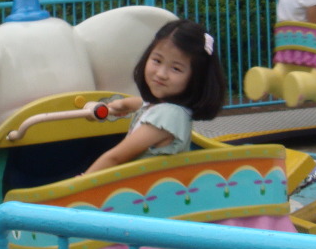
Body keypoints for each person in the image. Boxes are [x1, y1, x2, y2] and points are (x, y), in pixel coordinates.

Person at [83, 19, 226, 174]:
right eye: (157, 60)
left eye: (176, 69)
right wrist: (122, 105)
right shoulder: (163, 108)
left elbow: (115, 158)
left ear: (195, 78)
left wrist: (82, 182)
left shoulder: (169, 115)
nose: (161, 74)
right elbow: (141, 104)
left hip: (141, 187)